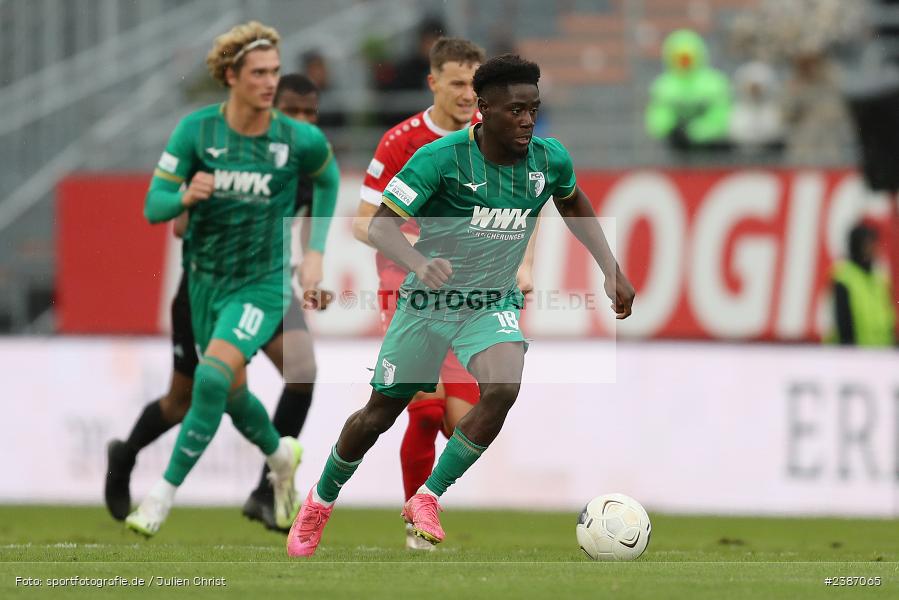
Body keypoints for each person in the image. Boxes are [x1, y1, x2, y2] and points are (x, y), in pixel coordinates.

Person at [287, 54, 635, 557]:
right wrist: (418, 262)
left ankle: (427, 497)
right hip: (427, 303)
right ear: (485, 107)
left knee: (504, 386)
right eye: (516, 110)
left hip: (490, 301)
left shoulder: (548, 158)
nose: (527, 120)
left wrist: (610, 267)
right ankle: (319, 502)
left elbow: (573, 200)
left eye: (533, 109)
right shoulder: (440, 159)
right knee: (378, 414)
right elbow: (381, 224)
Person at [123, 22, 340, 537]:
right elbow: (154, 206)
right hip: (204, 283)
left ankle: (159, 496)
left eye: (274, 72)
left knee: (214, 377)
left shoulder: (297, 138)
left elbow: (329, 178)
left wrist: (314, 254)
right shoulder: (196, 132)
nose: (270, 83)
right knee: (233, 394)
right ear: (230, 76)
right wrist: (185, 198)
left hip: (261, 284)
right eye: (259, 73)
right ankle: (279, 455)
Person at [353, 37, 535, 551]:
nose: (465, 94)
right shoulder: (401, 141)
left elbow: (529, 204)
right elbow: (364, 223)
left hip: (477, 291)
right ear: (433, 82)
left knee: (462, 418)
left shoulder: (500, 144)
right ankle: (417, 527)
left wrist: (521, 262)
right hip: (410, 285)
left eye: (472, 85)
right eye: (456, 83)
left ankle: (427, 498)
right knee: (426, 408)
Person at [645, 29, 732, 153]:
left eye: (687, 58)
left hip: (712, 147)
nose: (684, 63)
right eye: (679, 58)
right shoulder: (663, 86)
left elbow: (722, 116)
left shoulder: (714, 83)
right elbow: (658, 118)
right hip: (675, 148)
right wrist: (672, 129)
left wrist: (695, 132)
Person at [829, 223, 895, 346]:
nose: (874, 249)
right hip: (857, 358)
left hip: (883, 356)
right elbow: (844, 325)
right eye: (868, 245)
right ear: (857, 247)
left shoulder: (880, 278)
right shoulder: (844, 278)